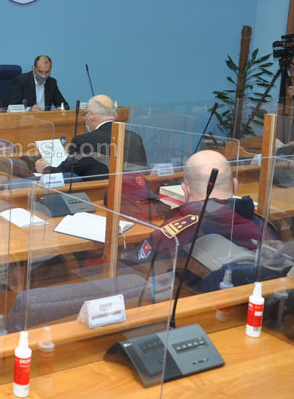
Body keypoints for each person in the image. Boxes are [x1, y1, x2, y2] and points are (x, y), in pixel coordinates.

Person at [126, 151, 289, 290]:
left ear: (185, 189)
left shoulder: (178, 230)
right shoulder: (263, 227)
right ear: (235, 185)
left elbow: (132, 270)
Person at [34, 94, 147, 179]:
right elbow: (143, 172)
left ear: (90, 116)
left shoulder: (83, 141)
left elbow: (63, 173)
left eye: (85, 116)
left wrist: (45, 168)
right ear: (115, 115)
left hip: (96, 197)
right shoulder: (135, 137)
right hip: (131, 196)